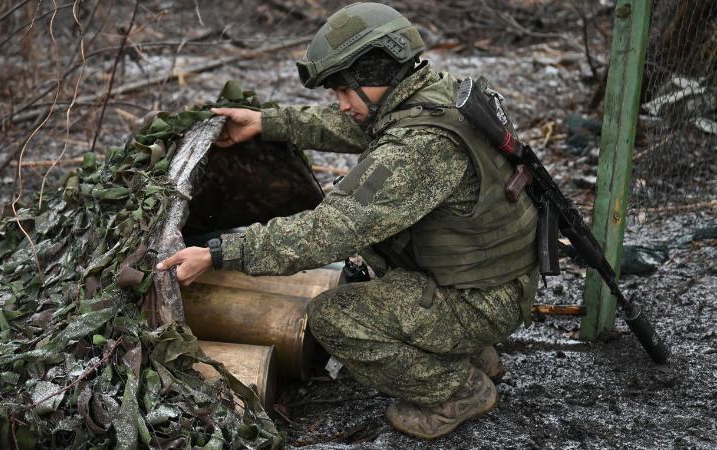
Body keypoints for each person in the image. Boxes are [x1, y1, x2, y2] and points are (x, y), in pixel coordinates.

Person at [157, 2, 539, 439]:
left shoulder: (418, 148)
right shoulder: (435, 95)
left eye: (343, 92)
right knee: (385, 255)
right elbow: (355, 127)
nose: (340, 105)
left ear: (375, 77)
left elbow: (330, 231)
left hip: (483, 295)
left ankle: (457, 390)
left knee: (335, 318)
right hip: (493, 276)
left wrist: (220, 253)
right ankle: (470, 348)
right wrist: (268, 123)